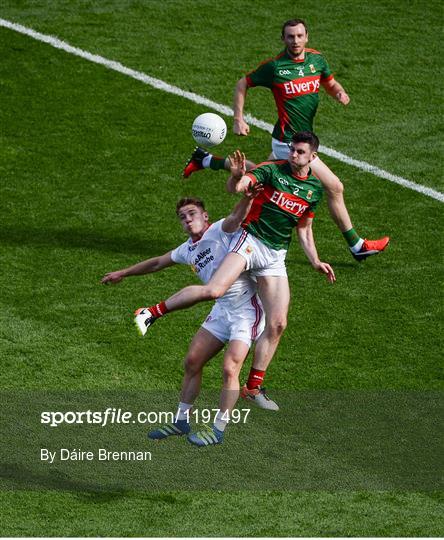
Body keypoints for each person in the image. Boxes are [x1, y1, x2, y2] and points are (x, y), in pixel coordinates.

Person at [136, 132, 336, 413]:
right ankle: (151, 312)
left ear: (312, 157)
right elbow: (239, 187)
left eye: (300, 152)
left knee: (278, 323)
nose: (293, 155)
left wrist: (315, 260)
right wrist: (237, 176)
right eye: (292, 150)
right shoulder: (271, 170)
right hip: (251, 241)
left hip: (275, 255)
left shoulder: (314, 190)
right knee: (215, 290)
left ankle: (253, 387)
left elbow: (304, 228)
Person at [183, 18, 389, 262]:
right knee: (334, 186)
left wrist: (339, 93)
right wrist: (238, 118)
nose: (295, 41)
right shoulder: (275, 67)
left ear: (307, 37)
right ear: (283, 39)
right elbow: (242, 83)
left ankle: (206, 160)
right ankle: (357, 245)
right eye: (290, 37)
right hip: (289, 143)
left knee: (261, 171)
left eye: (299, 36)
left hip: (302, 139)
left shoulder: (317, 60)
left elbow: (330, 82)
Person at [102, 191, 278, 447]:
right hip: (221, 310)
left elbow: (237, 215)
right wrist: (123, 272)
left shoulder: (221, 230)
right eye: (182, 217)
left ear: (205, 216)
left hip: (246, 311)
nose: (187, 219)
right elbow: (157, 263)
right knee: (192, 361)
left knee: (230, 368)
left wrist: (249, 196)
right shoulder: (187, 250)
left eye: (192, 213)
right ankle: (181, 420)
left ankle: (218, 428)